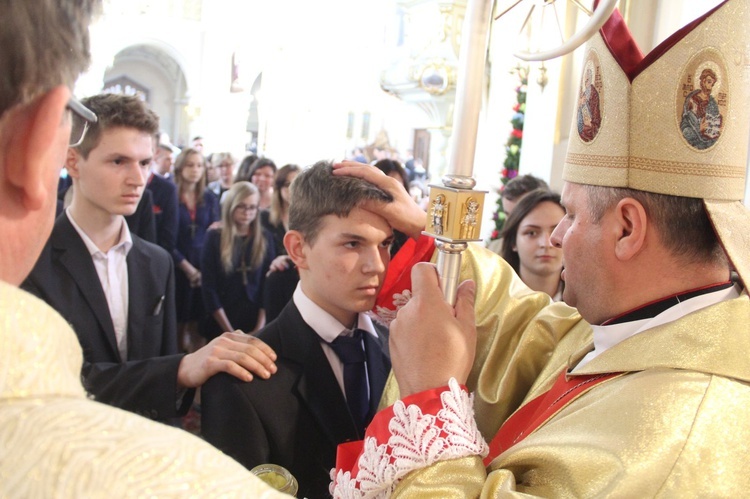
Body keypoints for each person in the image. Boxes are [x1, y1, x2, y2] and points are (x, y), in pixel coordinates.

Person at [330, 1, 750, 496]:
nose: (555, 235)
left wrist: (429, 396)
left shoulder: (683, 435)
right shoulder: (644, 328)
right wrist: (433, 242)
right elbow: (526, 333)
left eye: (570, 215)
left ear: (627, 229)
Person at [0, 2, 281, 494]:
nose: (137, 179)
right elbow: (52, 386)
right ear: (73, 161)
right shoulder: (27, 257)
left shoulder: (155, 263)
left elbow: (166, 391)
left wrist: (178, 380)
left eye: (146, 163)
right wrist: (179, 369)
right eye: (117, 161)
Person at [202, 160, 393, 499]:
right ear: (298, 249)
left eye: (385, 244)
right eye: (352, 244)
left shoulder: (399, 347)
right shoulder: (242, 381)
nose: (376, 265)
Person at [201, 181, 275, 339]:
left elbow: (267, 284)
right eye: (241, 206)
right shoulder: (214, 237)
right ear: (231, 206)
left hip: (255, 316)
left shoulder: (265, 237)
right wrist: (230, 332)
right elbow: (209, 287)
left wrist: (259, 327)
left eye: (252, 207)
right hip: (222, 318)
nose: (247, 212)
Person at [172, 146, 220, 351]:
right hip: (177, 264)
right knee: (178, 324)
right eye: (190, 165)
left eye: (200, 165)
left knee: (198, 325)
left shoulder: (209, 198)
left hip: (203, 266)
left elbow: (215, 230)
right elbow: (167, 239)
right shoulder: (171, 195)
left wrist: (202, 270)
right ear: (180, 167)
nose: (195, 169)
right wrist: (188, 269)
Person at [500, 188, 564, 300]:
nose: (546, 243)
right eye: (532, 233)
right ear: (513, 241)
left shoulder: (588, 305)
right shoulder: (492, 301)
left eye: (556, 231)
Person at [261, 164, 301, 323]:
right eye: (287, 184)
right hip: (272, 285)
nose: (292, 189)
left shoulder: (308, 219)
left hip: (299, 284)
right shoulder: (264, 218)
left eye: (297, 183)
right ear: (278, 187)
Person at [487, 173, 550, 254]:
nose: (511, 223)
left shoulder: (554, 249)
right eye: (508, 215)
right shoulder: (494, 250)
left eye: (519, 215)